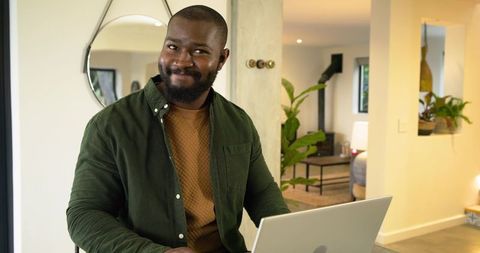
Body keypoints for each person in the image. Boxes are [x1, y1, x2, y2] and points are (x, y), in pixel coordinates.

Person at [67, 5, 289, 253]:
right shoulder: (110, 125)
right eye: (173, 47)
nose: (181, 60)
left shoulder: (238, 123)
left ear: (222, 59)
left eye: (199, 50)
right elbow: (84, 215)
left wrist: (294, 238)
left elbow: (262, 194)